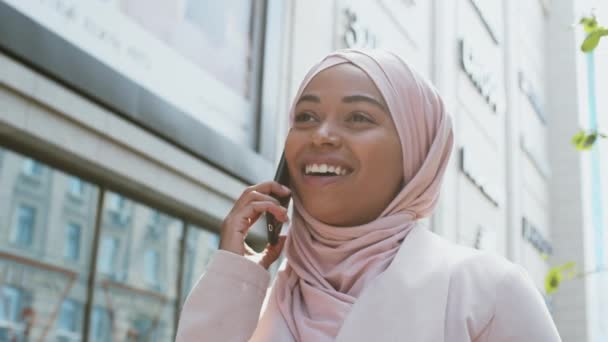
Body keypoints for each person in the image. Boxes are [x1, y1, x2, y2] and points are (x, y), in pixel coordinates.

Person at [175, 49, 562, 341]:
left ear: (415, 153)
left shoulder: (485, 291)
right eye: (306, 117)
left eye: (359, 118)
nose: (321, 134)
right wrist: (233, 275)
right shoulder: (262, 298)